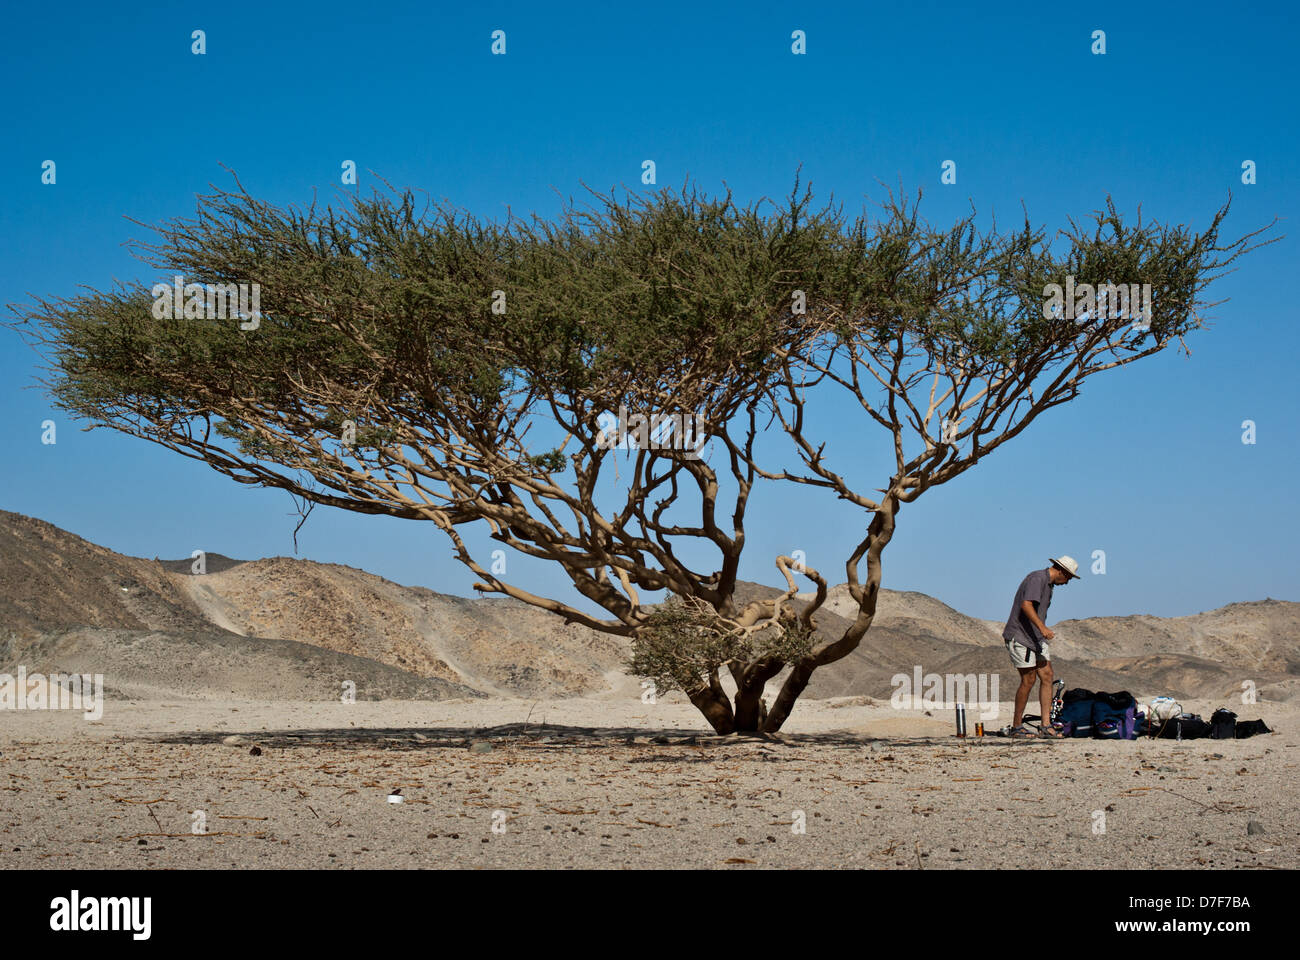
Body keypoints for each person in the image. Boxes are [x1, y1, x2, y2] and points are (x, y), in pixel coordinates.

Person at [1003, 556, 1080, 738]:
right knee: (1028, 680)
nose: (1067, 582)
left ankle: (1046, 725)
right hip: (1021, 636)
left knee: (1047, 675)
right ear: (1062, 571)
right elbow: (1026, 605)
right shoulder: (1037, 578)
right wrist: (1043, 628)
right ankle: (1017, 726)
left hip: (1036, 638)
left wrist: (1040, 632)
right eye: (1068, 578)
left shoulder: (1048, 585)